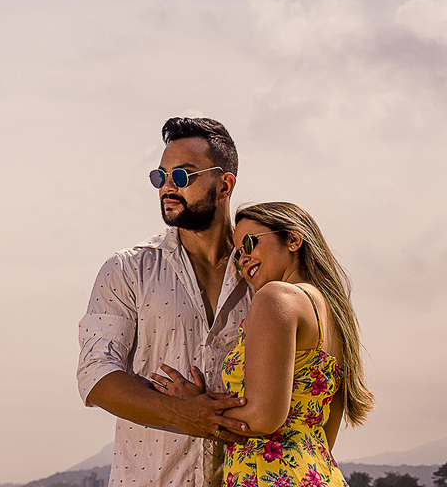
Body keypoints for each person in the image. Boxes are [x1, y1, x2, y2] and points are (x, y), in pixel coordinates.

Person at [78, 117, 253, 487]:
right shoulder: (127, 269)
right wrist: (183, 413)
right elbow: (95, 375)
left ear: (224, 185)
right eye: (161, 176)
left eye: (183, 176)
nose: (167, 187)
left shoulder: (264, 275)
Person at [149, 202, 374, 487]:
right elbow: (324, 435)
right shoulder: (335, 317)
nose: (243, 259)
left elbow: (264, 417)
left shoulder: (275, 297)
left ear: (293, 239)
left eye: (250, 244)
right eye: (238, 255)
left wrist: (195, 407)